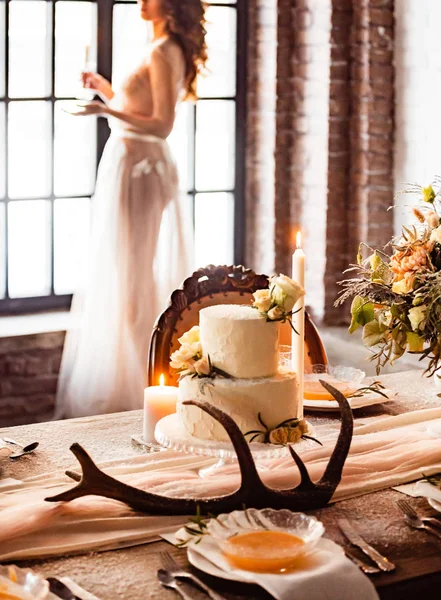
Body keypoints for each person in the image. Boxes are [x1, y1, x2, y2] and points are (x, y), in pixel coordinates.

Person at [55, 0, 207, 418]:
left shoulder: (164, 51)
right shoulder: (153, 44)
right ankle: (126, 379)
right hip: (125, 161)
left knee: (135, 273)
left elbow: (162, 124)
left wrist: (104, 109)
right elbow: (136, 108)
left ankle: (142, 382)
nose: (142, 1)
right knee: (121, 272)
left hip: (143, 167)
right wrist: (106, 89)